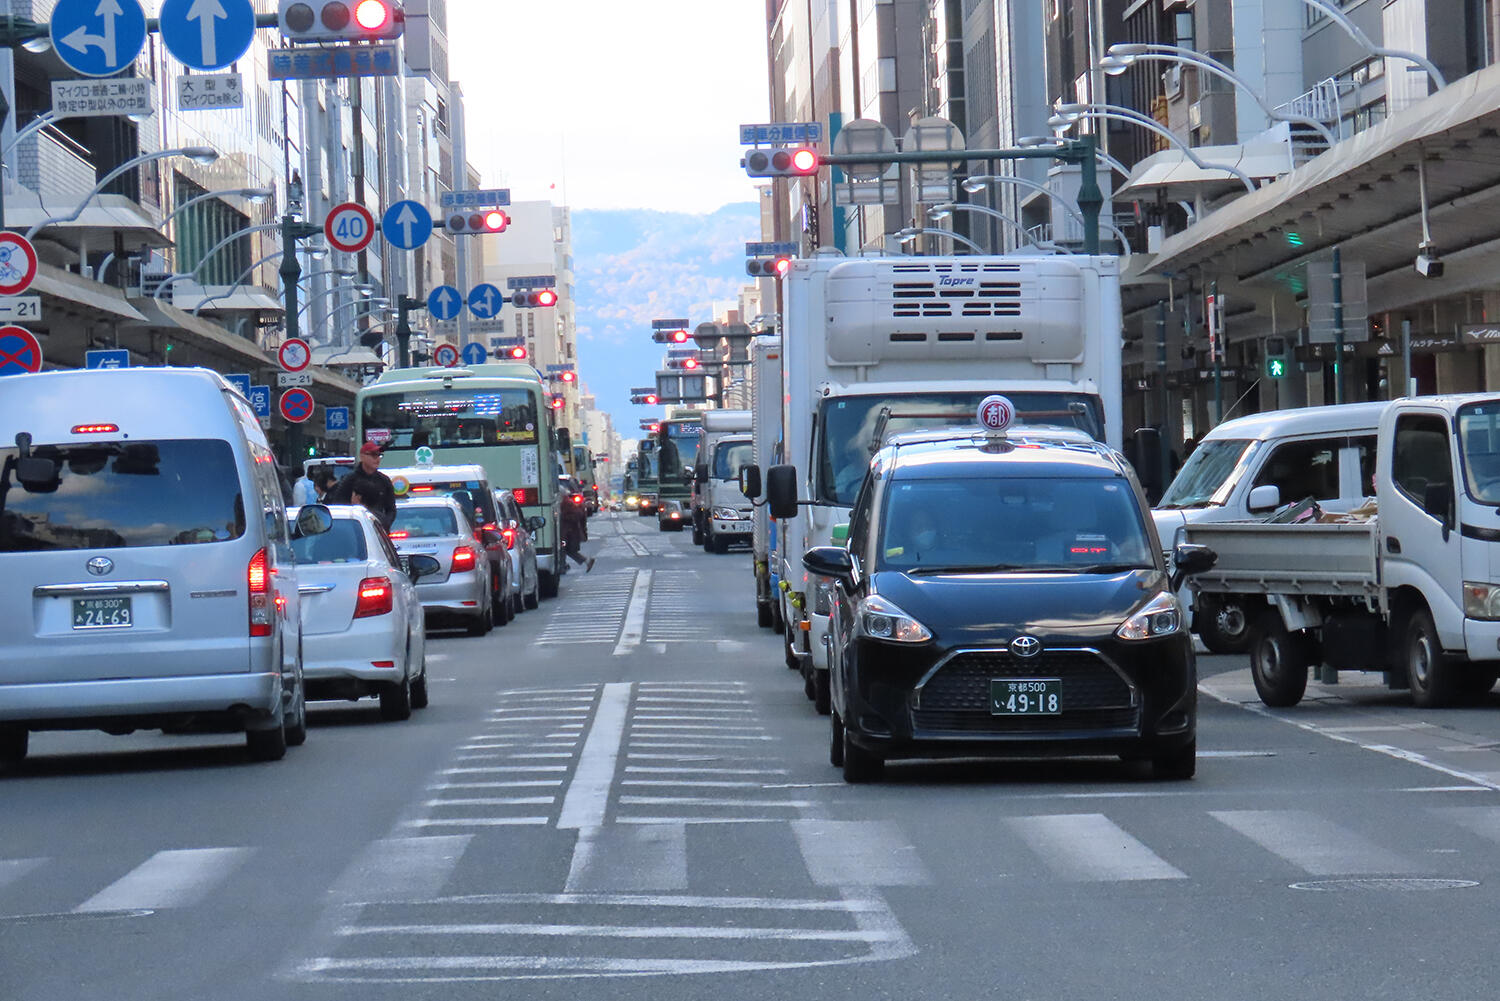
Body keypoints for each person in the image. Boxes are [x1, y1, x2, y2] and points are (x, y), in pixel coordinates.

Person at [327, 443, 397, 530]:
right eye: (373, 455)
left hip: (378, 531)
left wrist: (384, 524)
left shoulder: (384, 481)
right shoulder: (349, 480)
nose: (377, 459)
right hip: (354, 530)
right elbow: (338, 506)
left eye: (379, 455)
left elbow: (391, 509)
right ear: (362, 456)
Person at [560, 492, 594, 573]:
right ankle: (586, 561)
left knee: (563, 548)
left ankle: (562, 566)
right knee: (565, 549)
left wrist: (564, 517)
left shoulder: (566, 503)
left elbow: (577, 515)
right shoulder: (567, 502)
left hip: (568, 534)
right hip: (568, 533)